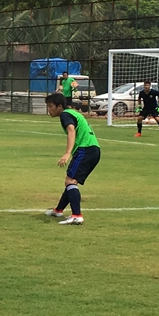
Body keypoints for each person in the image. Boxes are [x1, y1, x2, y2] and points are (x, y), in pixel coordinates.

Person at [44, 93, 100, 225]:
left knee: (70, 181)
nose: (49, 109)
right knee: (71, 181)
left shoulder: (65, 115)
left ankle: (76, 215)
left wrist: (67, 153)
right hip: (93, 150)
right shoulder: (72, 113)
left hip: (85, 150)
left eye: (51, 106)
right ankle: (58, 210)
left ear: (59, 106)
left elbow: (71, 130)